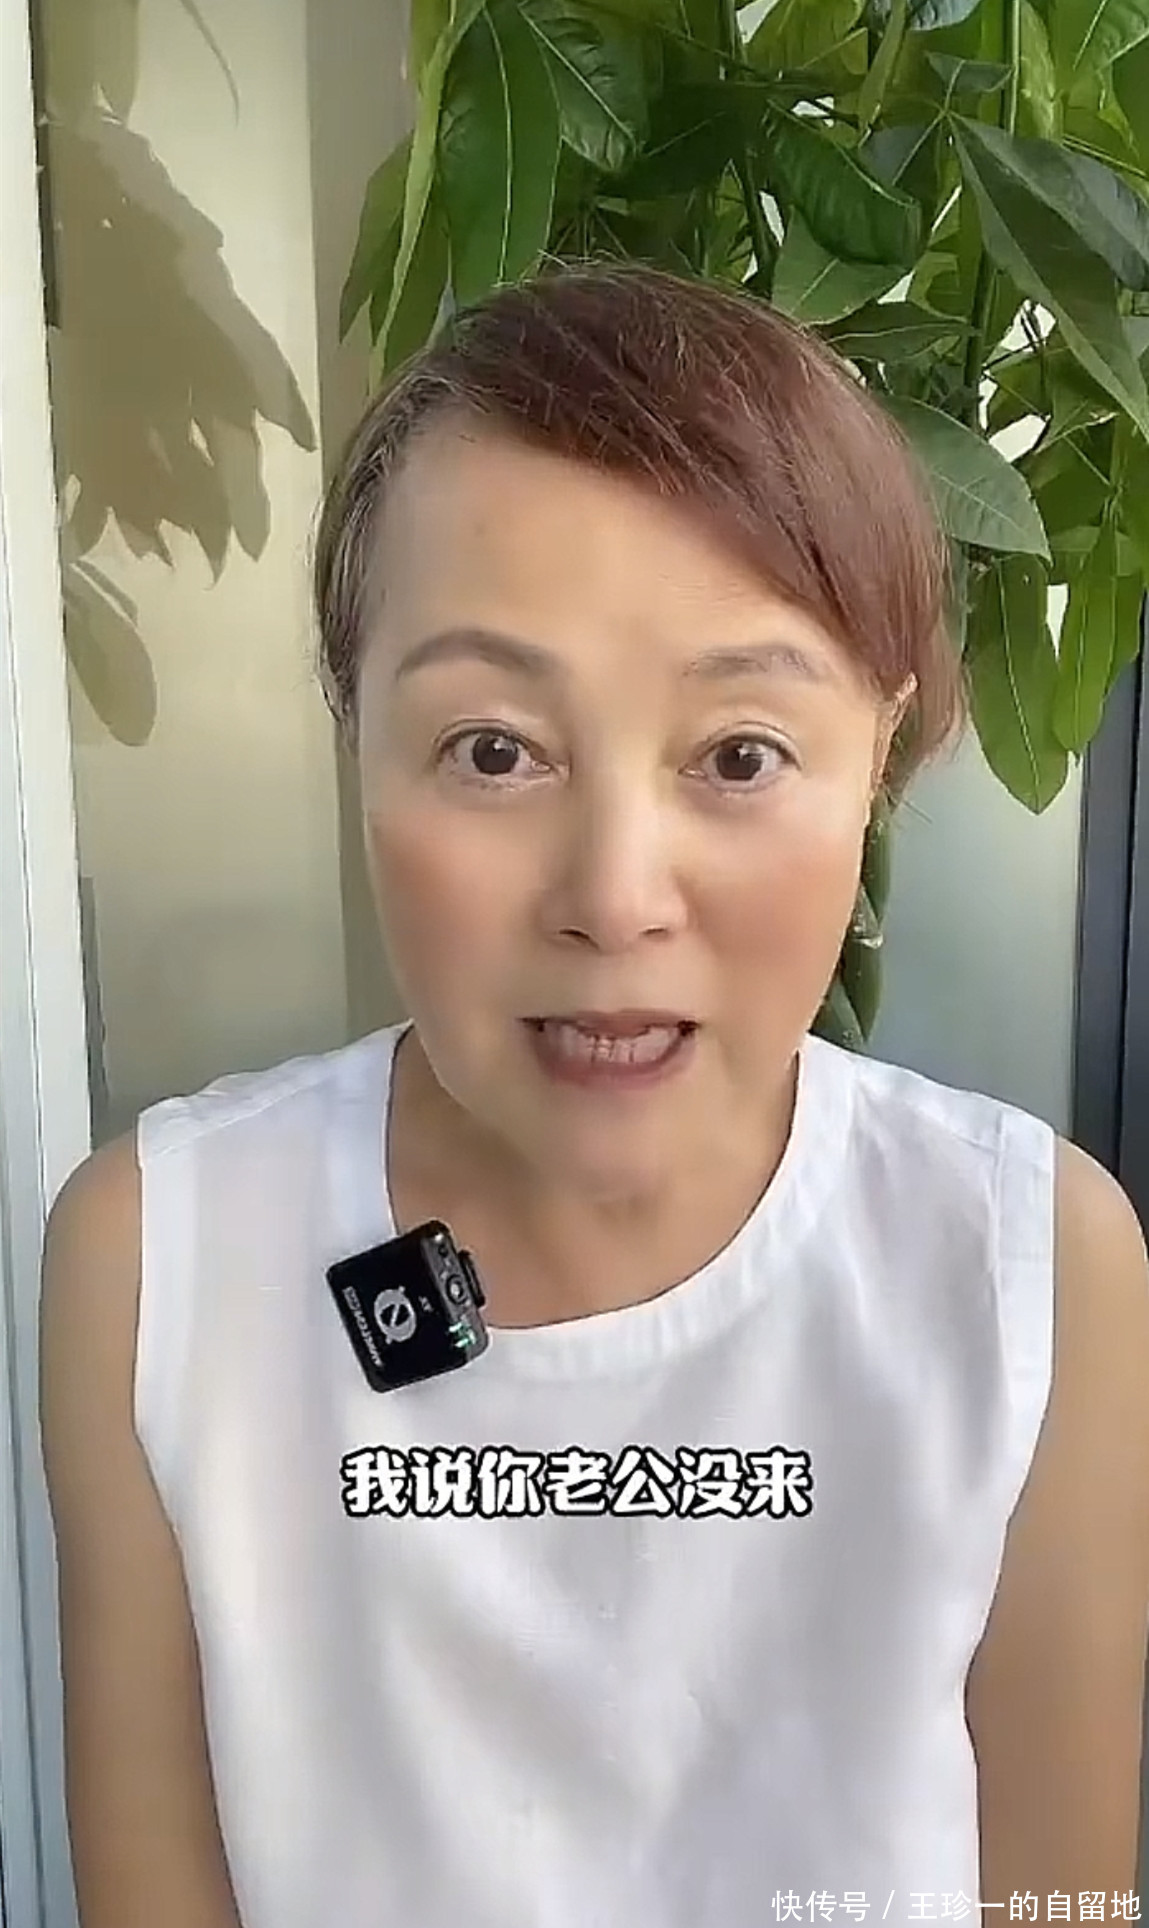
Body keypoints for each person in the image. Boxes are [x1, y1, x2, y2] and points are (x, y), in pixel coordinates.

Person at [39, 260, 1149, 1928]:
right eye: (494, 749)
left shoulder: (1021, 1267)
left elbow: (1058, 1903)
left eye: (738, 755)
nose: (615, 898)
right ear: (356, 737)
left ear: (879, 753)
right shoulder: (164, 1264)